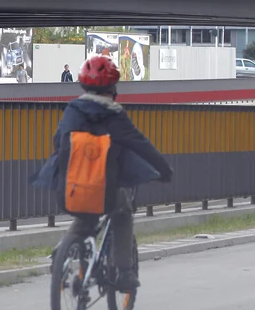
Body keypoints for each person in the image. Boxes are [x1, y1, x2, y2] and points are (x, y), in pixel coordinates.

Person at [30, 56, 172, 293]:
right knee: (123, 211)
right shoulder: (115, 116)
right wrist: (164, 170)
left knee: (86, 216)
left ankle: (63, 250)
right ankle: (125, 272)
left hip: (68, 188)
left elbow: (58, 142)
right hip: (105, 191)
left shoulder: (72, 110)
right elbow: (141, 144)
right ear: (112, 89)